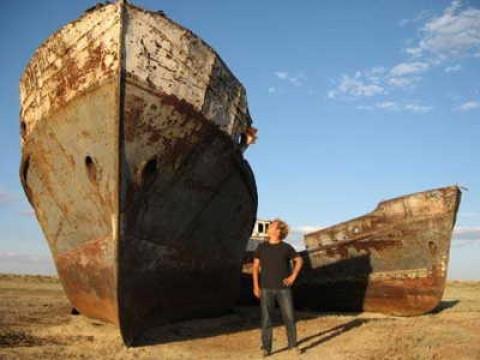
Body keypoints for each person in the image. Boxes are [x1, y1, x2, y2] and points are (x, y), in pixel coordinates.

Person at [252, 218, 303, 357]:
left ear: (278, 231)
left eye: (271, 226)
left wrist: (293, 277)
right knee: (266, 319)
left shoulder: (286, 248)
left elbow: (299, 260)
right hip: (266, 289)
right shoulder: (261, 247)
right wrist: (256, 286)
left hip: (283, 289)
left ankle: (293, 346)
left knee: (289, 318)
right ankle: (266, 348)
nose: (268, 228)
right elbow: (255, 267)